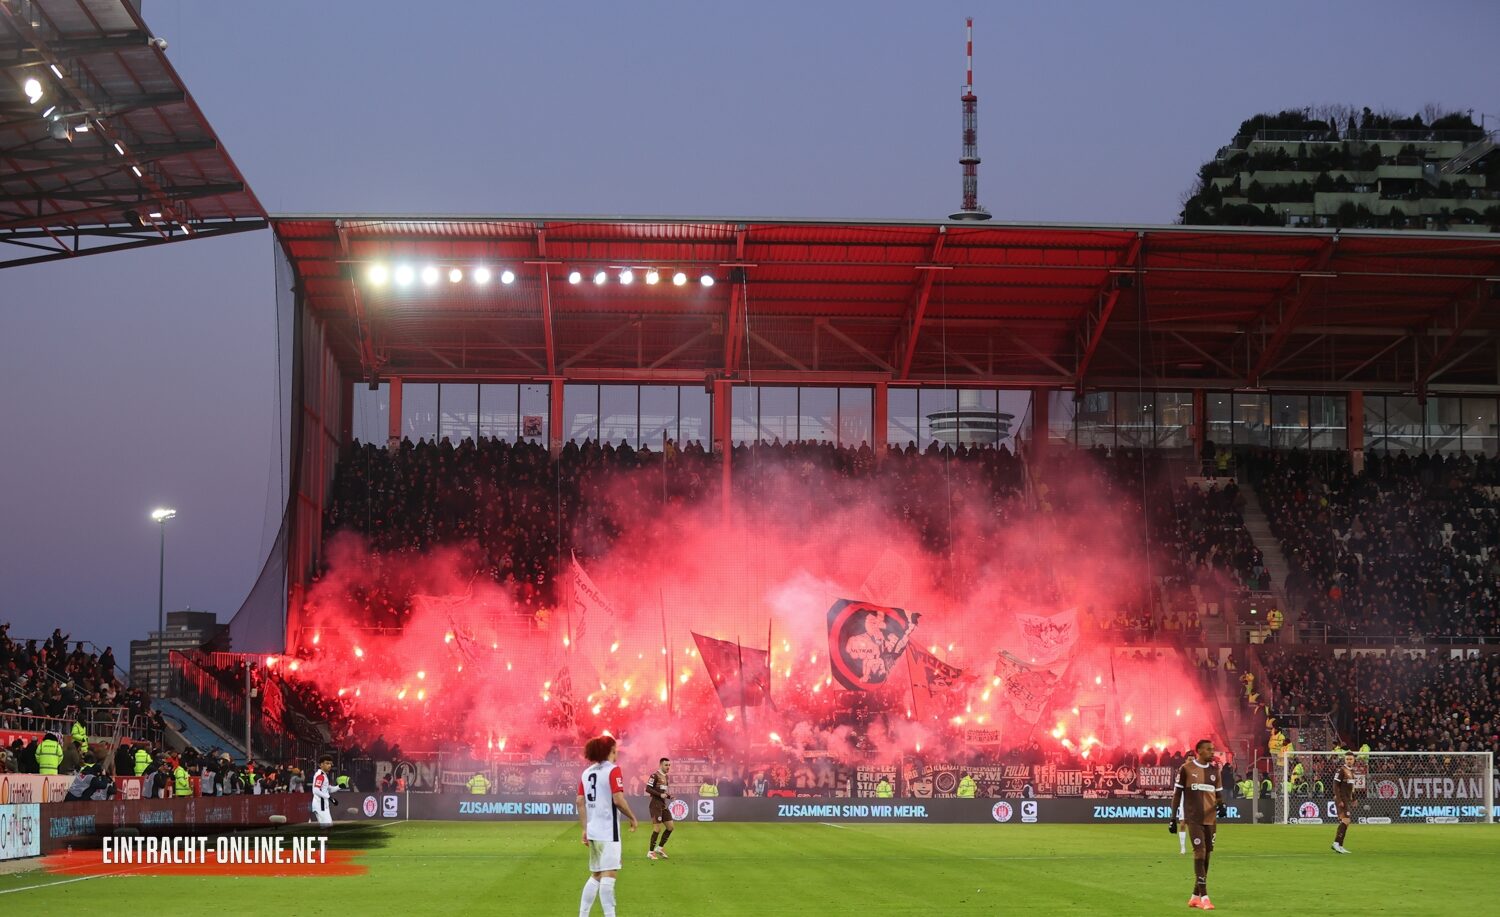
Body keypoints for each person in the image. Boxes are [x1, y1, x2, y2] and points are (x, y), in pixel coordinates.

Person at [577, 734, 638, 917]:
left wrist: (585, 828)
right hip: (609, 832)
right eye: (616, 748)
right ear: (612, 750)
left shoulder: (587, 773)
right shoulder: (613, 770)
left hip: (593, 831)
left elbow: (580, 801)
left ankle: (583, 914)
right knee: (609, 875)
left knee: (596, 874)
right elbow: (618, 800)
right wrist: (632, 817)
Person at [1170, 738, 1227, 911]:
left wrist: (1222, 806)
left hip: (1211, 819)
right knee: (1200, 852)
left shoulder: (1215, 771)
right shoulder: (1186, 769)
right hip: (1193, 819)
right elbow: (1177, 794)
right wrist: (1173, 818)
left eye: (1213, 749)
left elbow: (1218, 795)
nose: (1212, 752)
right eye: (1209, 749)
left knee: (1207, 855)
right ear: (1199, 751)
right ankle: (1205, 897)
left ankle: (1195, 897)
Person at [645, 757, 675, 860]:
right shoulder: (654, 776)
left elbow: (663, 792)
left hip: (663, 805)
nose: (668, 767)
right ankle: (650, 852)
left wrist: (669, 796)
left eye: (669, 765)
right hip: (655, 805)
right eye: (666, 765)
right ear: (661, 765)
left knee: (670, 827)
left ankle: (660, 848)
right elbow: (648, 789)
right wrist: (659, 795)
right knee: (657, 829)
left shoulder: (666, 777)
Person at [1331, 751, 1357, 854]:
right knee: (1346, 820)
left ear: (1354, 760)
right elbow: (1335, 785)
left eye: (1351, 759)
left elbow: (1351, 788)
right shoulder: (1341, 770)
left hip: (1347, 799)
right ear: (1344, 760)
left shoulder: (1352, 772)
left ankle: (1340, 845)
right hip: (1342, 799)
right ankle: (1336, 843)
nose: (1349, 761)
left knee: (1346, 821)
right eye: (1347, 759)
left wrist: (1354, 798)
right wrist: (1339, 799)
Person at [310, 755, 335, 826]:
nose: (329, 765)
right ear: (321, 765)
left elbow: (329, 789)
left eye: (330, 763)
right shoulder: (320, 775)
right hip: (320, 805)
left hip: (323, 805)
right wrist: (329, 797)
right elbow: (316, 790)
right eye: (327, 763)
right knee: (326, 827)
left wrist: (339, 786)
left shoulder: (324, 775)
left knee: (328, 827)